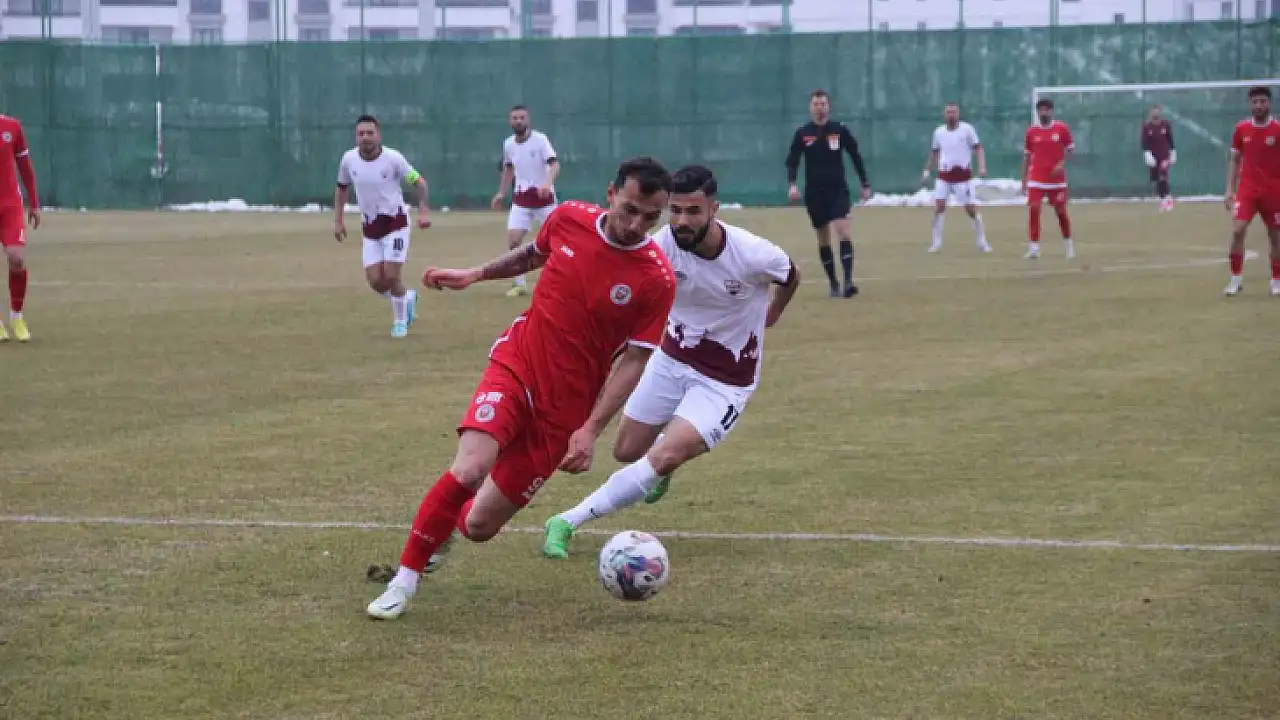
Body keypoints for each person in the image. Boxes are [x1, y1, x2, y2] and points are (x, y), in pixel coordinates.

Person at [366, 157, 676, 620]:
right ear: (611, 195)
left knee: (478, 525)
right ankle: (403, 582)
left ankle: (443, 527)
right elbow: (534, 253)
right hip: (517, 365)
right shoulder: (569, 217)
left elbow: (635, 360)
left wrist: (590, 429)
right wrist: (475, 274)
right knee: (470, 468)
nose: (636, 226)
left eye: (650, 218)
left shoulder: (656, 278)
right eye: (629, 210)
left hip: (566, 407)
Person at [541, 165, 800, 559]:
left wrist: (773, 312)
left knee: (662, 458)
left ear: (714, 209)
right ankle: (665, 459)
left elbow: (790, 275)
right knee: (626, 451)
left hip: (725, 381)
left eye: (693, 211)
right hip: (670, 358)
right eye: (675, 210)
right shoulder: (659, 247)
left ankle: (566, 521)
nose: (681, 220)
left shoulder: (752, 254)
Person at [333, 115, 430, 338]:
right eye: (361, 133)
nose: (365, 137)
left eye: (370, 133)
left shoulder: (393, 159)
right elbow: (341, 188)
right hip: (371, 228)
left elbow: (419, 182)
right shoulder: (348, 160)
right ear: (355, 137)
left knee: (392, 275)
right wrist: (338, 220)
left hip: (396, 224)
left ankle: (400, 322)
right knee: (376, 281)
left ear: (379, 135)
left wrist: (424, 211)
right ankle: (407, 298)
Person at [785, 89, 871, 298]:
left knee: (843, 230)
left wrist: (864, 182)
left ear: (829, 107)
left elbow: (855, 155)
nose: (820, 108)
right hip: (815, 193)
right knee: (823, 238)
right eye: (816, 104)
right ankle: (833, 283)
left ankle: (848, 282)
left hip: (838, 189)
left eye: (823, 104)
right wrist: (792, 184)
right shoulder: (803, 133)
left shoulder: (839, 130)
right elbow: (793, 161)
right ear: (810, 107)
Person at [491, 105, 560, 298]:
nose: (518, 121)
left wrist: (547, 183)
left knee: (557, 242)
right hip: (521, 200)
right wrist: (501, 193)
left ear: (528, 120)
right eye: (515, 118)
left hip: (544, 201)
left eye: (522, 118)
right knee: (514, 241)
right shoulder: (508, 144)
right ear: (510, 121)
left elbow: (555, 164)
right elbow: (509, 168)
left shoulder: (540, 140)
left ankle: (558, 283)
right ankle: (520, 284)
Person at [1223, 86, 1280, 297]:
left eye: (1262, 101)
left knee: (1275, 237)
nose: (1258, 105)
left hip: (1273, 191)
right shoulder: (1241, 129)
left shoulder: (1278, 129)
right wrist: (1230, 189)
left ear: (1269, 103)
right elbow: (1235, 159)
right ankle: (1235, 280)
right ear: (1250, 104)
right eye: (1255, 102)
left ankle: (1276, 281)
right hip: (1247, 190)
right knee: (1237, 231)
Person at [922, 103, 991, 254]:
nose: (951, 115)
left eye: (954, 112)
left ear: (958, 114)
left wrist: (982, 167)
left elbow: (978, 149)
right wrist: (927, 170)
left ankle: (982, 242)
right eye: (948, 112)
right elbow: (934, 153)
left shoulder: (967, 130)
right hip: (944, 176)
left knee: (971, 210)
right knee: (939, 207)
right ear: (944, 115)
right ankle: (936, 243)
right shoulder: (939, 132)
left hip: (963, 177)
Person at [0, 112, 40, 343]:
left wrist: (34, 203)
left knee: (16, 257)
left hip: (10, 206)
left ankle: (17, 316)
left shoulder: (12, 127)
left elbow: (25, 168)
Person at [1021, 98, 1075, 260]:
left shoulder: (1062, 129)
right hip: (1036, 178)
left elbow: (1071, 150)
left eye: (1047, 110)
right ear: (1037, 112)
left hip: (1057, 181)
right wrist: (1024, 179)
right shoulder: (1031, 132)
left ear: (1052, 112)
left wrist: (1062, 164)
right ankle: (1034, 249)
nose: (1044, 113)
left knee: (1061, 212)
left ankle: (1068, 245)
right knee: (1034, 209)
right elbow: (1027, 156)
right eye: (1041, 110)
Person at [1141, 105, 1177, 212]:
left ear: (1160, 113)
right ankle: (1165, 199)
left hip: (1164, 156)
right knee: (1157, 179)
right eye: (1153, 112)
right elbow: (1144, 142)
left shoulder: (1166, 124)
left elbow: (1170, 140)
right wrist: (1147, 154)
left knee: (1162, 176)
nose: (1155, 114)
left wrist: (1173, 152)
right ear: (1150, 113)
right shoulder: (1146, 126)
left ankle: (1167, 200)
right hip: (1153, 157)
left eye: (1157, 112)